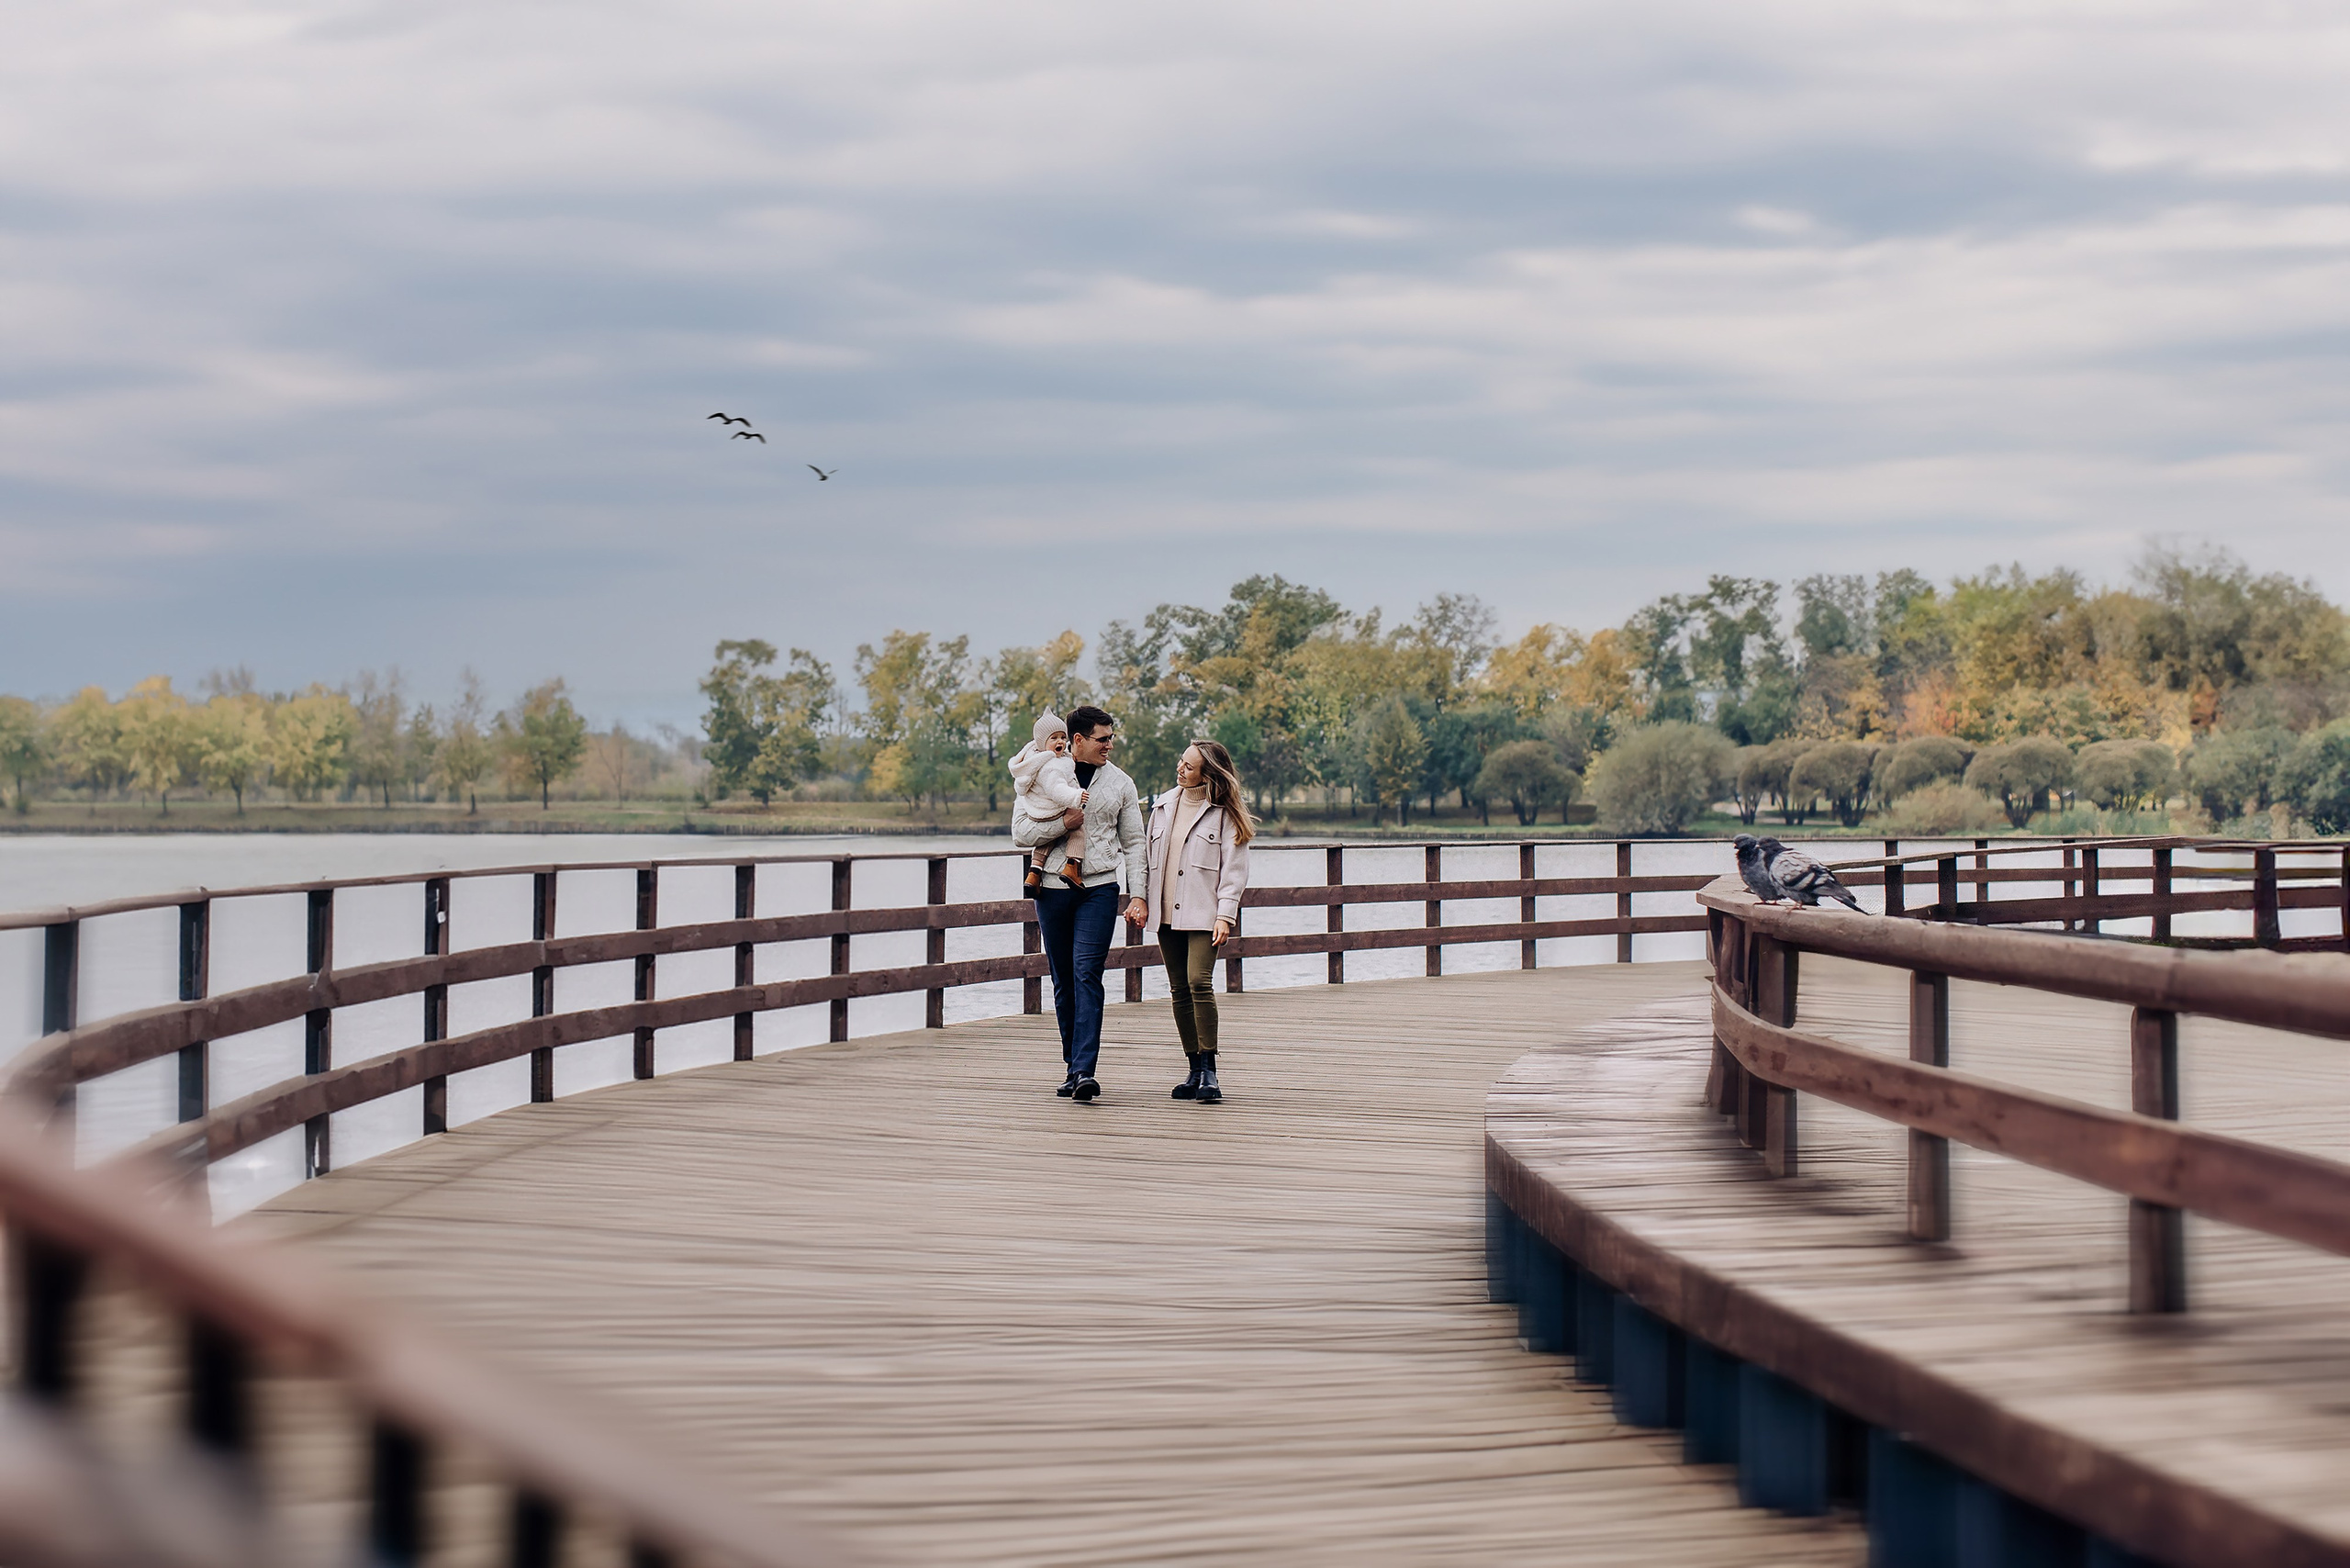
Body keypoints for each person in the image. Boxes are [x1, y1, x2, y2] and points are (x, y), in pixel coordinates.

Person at [1011, 705, 1147, 1103]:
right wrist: (1061, 825)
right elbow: (1020, 832)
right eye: (1102, 738)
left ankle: (1085, 1070)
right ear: (1078, 741)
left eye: (1112, 738)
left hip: (1099, 888)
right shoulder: (1041, 772)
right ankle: (1072, 1065)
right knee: (1063, 977)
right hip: (1051, 888)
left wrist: (1137, 893)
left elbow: (1135, 844)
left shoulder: (1121, 783)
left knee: (1087, 972)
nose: (1110, 744)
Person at [1140, 738, 1254, 1105]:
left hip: (1205, 912)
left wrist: (1226, 914)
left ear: (1208, 772)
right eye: (1180, 762)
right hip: (1166, 912)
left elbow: (1234, 871)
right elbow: (1146, 858)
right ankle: (1192, 1069)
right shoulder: (1162, 805)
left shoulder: (1224, 812)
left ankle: (1210, 1070)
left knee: (1198, 982)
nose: (1180, 769)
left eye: (1188, 766)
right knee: (1178, 989)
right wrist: (1139, 898)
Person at [1007, 712, 1087, 891]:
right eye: (1054, 738)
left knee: (1046, 840)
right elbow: (1056, 789)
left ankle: (1034, 872)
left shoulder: (1034, 762)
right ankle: (1072, 867)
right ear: (1042, 743)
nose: (1060, 742)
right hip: (1054, 809)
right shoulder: (1052, 766)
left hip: (1038, 813)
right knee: (1078, 832)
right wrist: (1075, 798)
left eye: (1062, 737)